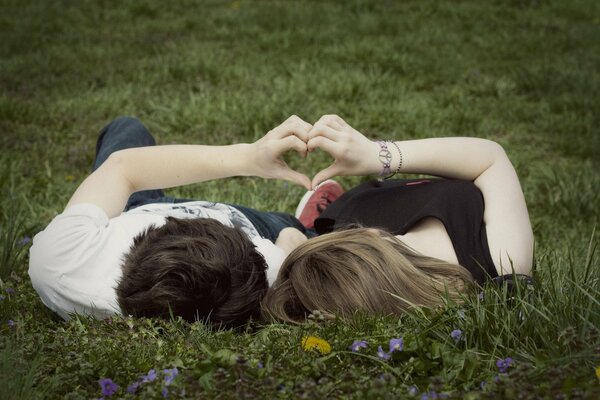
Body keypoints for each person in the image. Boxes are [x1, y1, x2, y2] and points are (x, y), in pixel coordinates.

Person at [29, 115, 318, 328]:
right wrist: (295, 235)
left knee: (127, 128)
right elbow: (291, 242)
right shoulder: (265, 266)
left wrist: (248, 157)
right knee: (288, 225)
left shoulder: (60, 260)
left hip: (130, 212)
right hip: (251, 233)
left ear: (148, 235)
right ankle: (318, 224)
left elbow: (122, 167)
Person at [262, 114, 535, 323]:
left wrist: (291, 245)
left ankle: (310, 230)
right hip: (374, 207)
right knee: (294, 238)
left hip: (351, 212)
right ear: (369, 235)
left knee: (292, 237)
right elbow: (491, 159)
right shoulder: (504, 260)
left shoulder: (353, 274)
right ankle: (309, 232)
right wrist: (379, 156)